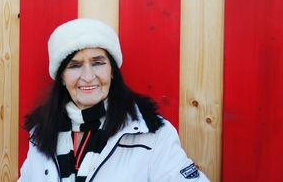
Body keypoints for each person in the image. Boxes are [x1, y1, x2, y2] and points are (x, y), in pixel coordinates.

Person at [18, 18, 209, 182]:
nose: (88, 76)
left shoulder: (151, 134)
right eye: (74, 66)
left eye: (98, 63)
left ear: (112, 72)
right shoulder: (42, 132)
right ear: (61, 77)